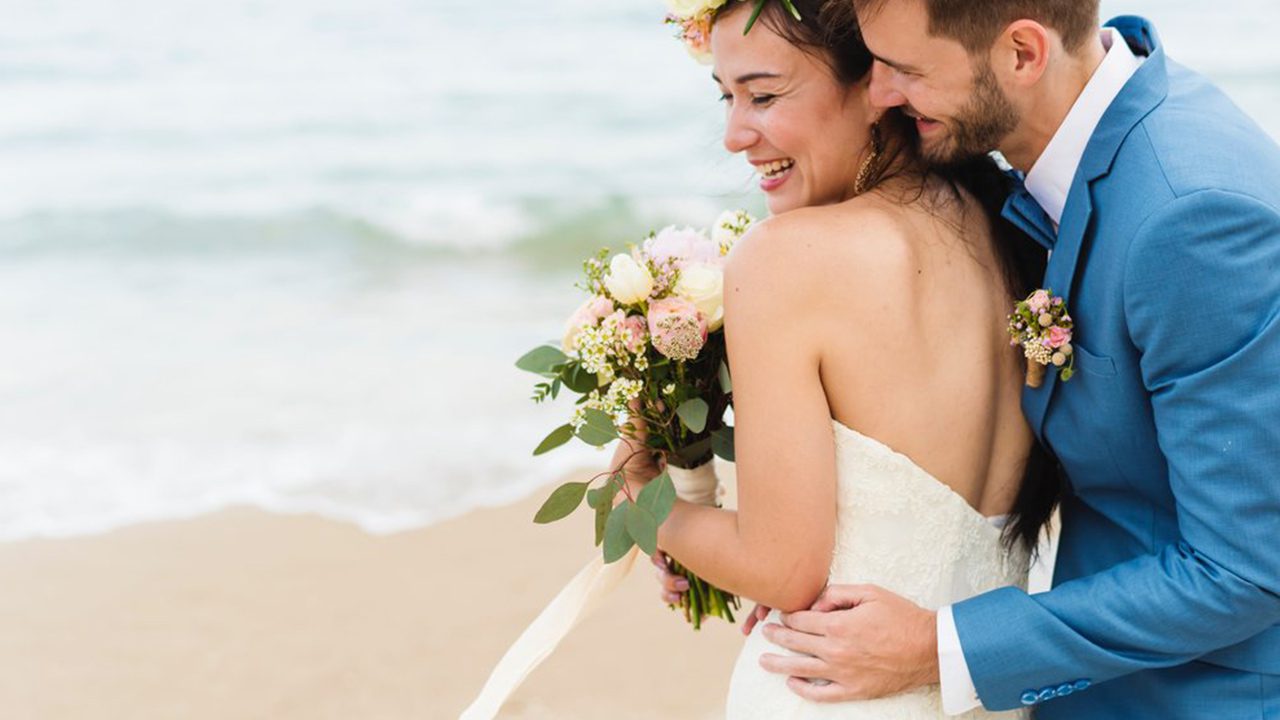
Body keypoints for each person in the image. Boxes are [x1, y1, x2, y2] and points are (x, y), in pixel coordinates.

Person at [745, 1, 1280, 718]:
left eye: (905, 70)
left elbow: (1244, 570)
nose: (878, 95)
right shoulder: (1070, 153)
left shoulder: (1191, 218)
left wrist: (937, 647)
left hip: (1192, 698)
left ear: (1023, 54)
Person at [615, 0, 1052, 716]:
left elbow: (781, 568)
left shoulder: (786, 260)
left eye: (763, 94)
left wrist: (637, 499)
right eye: (726, 97)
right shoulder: (1005, 228)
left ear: (877, 87)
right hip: (978, 690)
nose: (733, 135)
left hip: (828, 692)